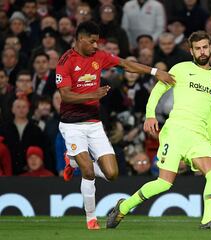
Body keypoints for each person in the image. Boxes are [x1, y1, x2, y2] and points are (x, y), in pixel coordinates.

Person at [107, 31, 211, 230]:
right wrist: (150, 115)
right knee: (164, 183)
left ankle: (208, 219)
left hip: (198, 136)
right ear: (191, 51)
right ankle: (124, 207)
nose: (202, 51)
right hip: (175, 132)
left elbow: (210, 114)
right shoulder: (181, 69)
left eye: (205, 47)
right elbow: (158, 90)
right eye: (198, 48)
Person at [56, 21, 174, 230]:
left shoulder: (99, 57)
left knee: (112, 174)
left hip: (93, 123)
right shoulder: (65, 61)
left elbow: (126, 64)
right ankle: (91, 219)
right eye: (92, 41)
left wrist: (156, 72)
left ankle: (72, 161)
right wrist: (94, 94)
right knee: (89, 173)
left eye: (97, 42)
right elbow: (65, 95)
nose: (95, 46)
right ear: (80, 39)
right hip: (71, 124)